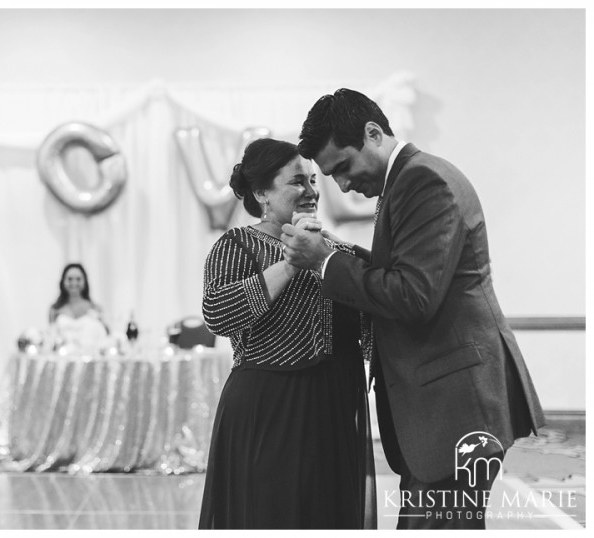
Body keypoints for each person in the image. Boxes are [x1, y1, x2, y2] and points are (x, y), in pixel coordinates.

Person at [281, 88, 545, 530]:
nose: (342, 185)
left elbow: (412, 295)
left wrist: (324, 262)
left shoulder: (424, 181)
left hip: (454, 409)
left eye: (343, 167)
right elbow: (404, 272)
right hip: (442, 408)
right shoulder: (405, 180)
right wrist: (334, 252)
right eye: (331, 177)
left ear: (372, 133)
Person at [198, 138, 376, 529]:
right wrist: (292, 262)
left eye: (313, 180)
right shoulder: (237, 245)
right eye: (297, 181)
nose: (311, 191)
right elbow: (218, 315)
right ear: (262, 192)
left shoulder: (335, 251)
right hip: (270, 411)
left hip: (333, 409)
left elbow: (370, 332)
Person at [48, 263, 108, 350]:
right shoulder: (55, 309)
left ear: (84, 281)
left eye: (78, 279)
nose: (74, 283)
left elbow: (105, 335)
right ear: (63, 281)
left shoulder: (95, 308)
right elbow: (51, 338)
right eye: (70, 279)